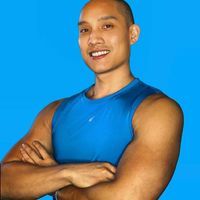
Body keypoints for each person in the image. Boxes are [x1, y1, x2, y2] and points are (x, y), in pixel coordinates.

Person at [1, 0, 184, 199]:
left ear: (132, 34)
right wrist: (67, 173)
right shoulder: (55, 112)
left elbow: (126, 197)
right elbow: (4, 182)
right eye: (85, 30)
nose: (94, 39)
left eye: (107, 26)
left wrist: (55, 185)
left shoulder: (158, 110)